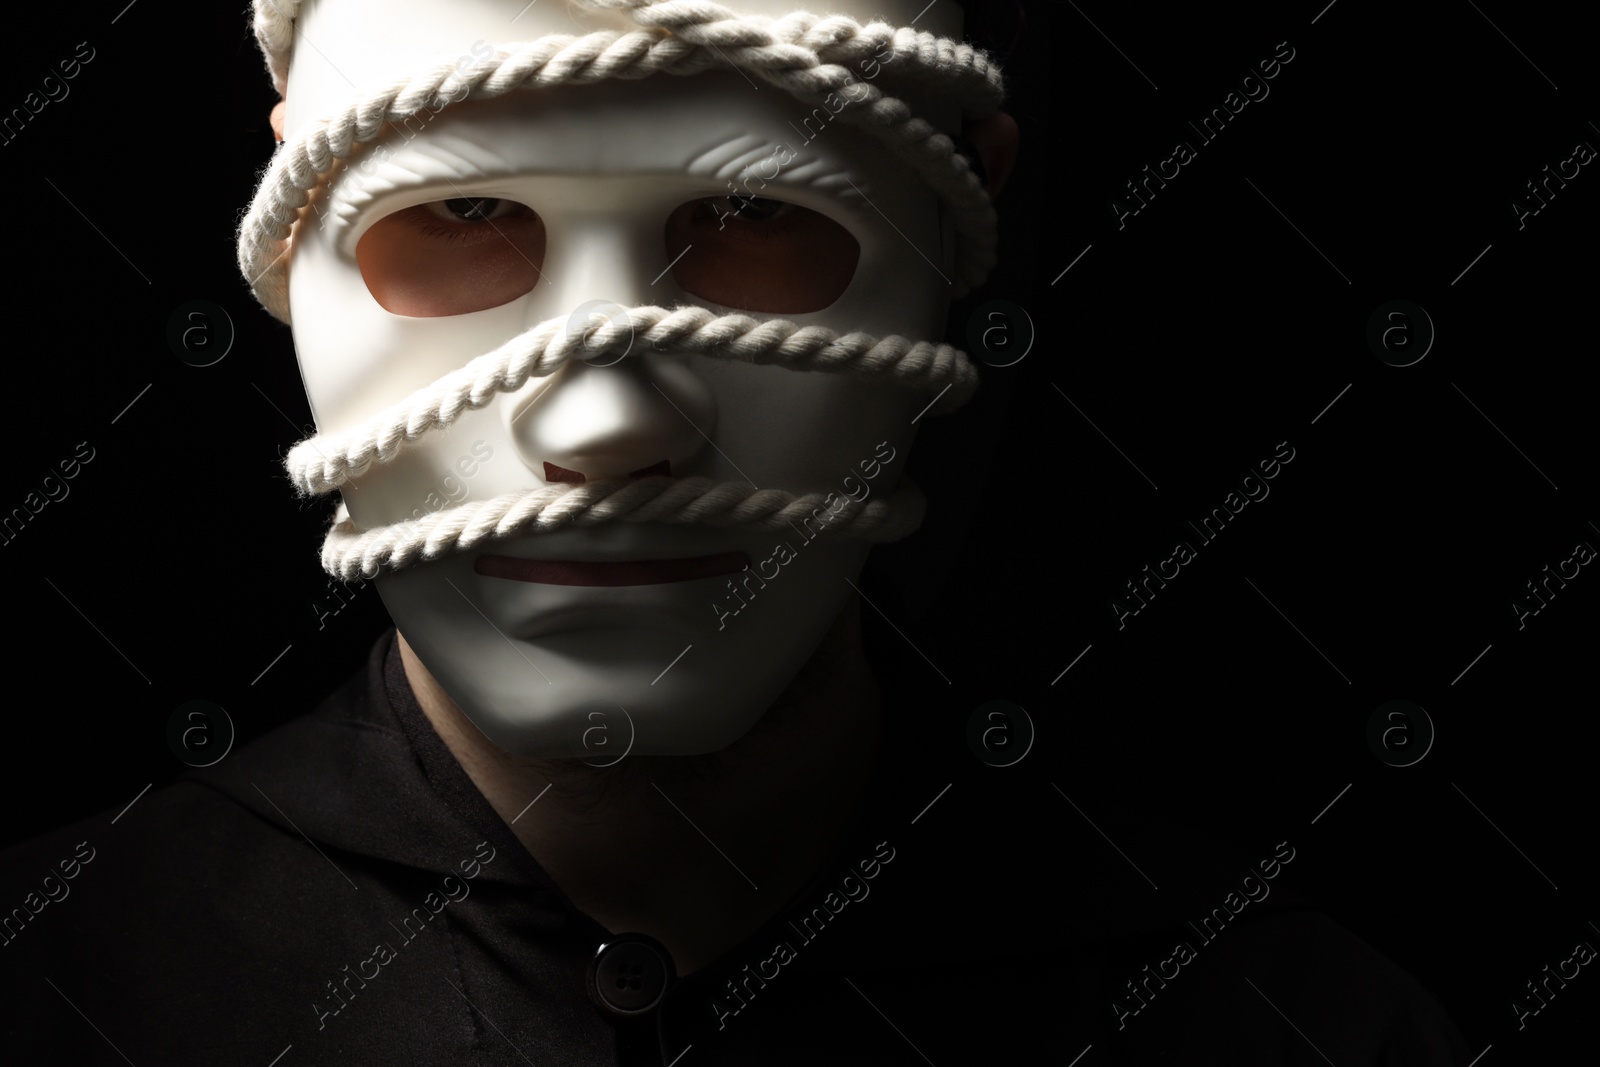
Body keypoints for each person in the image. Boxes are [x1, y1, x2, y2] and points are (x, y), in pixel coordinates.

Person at [1, 1, 1470, 1062]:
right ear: (290, 194)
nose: (603, 427)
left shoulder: (1298, 1024)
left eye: (752, 218)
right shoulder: (58, 988)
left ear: (971, 212)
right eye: (461, 216)